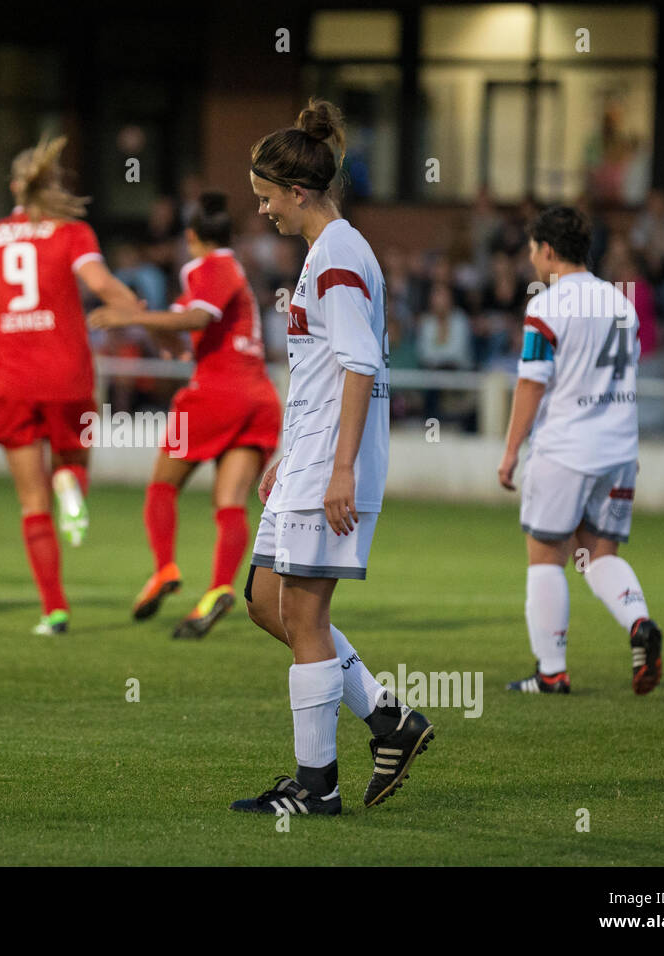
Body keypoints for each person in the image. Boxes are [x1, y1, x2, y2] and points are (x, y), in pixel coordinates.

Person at [231, 100, 434, 817]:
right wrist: (288, 453)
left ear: (298, 192)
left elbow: (356, 365)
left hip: (331, 462)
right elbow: (322, 366)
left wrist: (339, 467)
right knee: (263, 602)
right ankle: (388, 719)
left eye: (265, 198)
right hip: (310, 456)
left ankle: (317, 787)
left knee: (305, 619)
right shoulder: (328, 252)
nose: (262, 212)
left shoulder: (341, 254)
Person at [0, 136, 139, 635]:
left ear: (15, 188)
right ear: (52, 187)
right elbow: (102, 285)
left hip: (10, 377)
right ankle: (71, 485)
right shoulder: (72, 233)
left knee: (30, 503)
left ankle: (54, 610)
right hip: (66, 373)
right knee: (72, 465)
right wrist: (140, 315)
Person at [88, 193, 282, 639]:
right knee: (230, 501)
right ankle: (217, 590)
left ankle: (164, 569)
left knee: (162, 485)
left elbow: (195, 319)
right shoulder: (230, 275)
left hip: (216, 393)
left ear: (191, 237)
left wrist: (126, 316)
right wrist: (141, 318)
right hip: (258, 397)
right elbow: (179, 336)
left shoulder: (207, 267)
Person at [498, 205, 664, 695]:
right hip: (618, 449)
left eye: (532, 250)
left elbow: (531, 384)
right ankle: (639, 623)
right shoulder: (622, 304)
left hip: (566, 447)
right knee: (597, 554)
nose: (531, 259)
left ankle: (551, 671)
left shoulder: (546, 307)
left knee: (546, 556)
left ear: (547, 251)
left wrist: (510, 453)